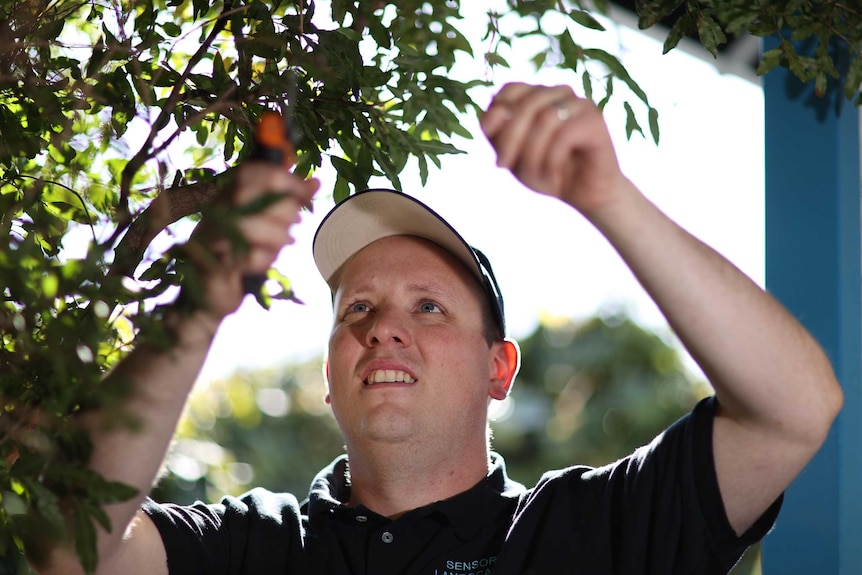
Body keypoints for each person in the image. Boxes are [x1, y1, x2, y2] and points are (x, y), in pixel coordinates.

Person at [29, 83, 843, 575]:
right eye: (357, 309)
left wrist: (608, 197)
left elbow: (796, 408)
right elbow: (72, 550)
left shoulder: (585, 535)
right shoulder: (253, 546)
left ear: (500, 368)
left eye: (429, 306)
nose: (384, 329)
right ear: (327, 371)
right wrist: (197, 308)